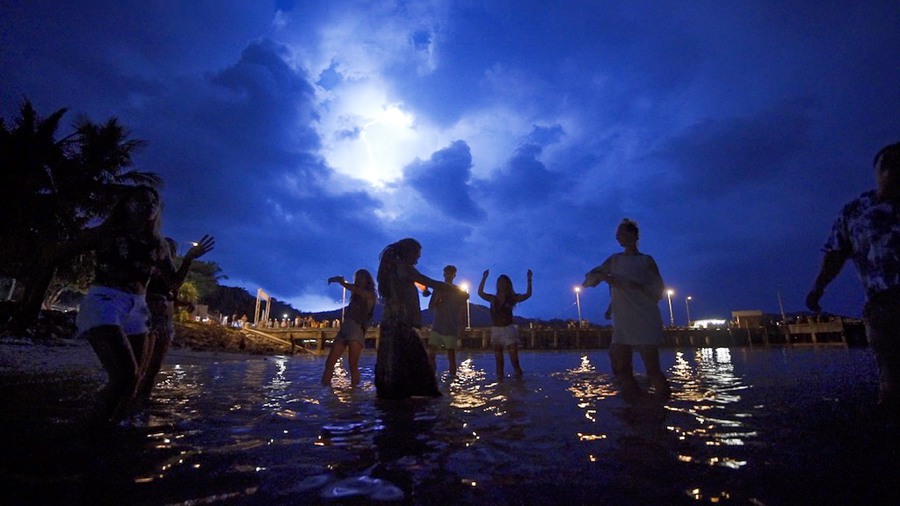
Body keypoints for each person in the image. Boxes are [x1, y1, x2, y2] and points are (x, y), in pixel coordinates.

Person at [64, 185, 214, 424]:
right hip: (106, 300)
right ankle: (93, 429)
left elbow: (173, 282)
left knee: (134, 378)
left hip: (138, 308)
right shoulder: (109, 233)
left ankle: (117, 424)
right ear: (127, 205)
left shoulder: (157, 244)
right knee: (126, 376)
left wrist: (188, 260)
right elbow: (64, 250)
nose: (149, 205)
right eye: (142, 200)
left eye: (154, 202)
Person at [806, 142, 900, 415]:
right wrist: (818, 288)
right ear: (879, 171)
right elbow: (835, 255)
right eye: (890, 164)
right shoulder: (856, 212)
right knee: (891, 372)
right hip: (884, 304)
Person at [582, 218, 670, 399]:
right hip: (623, 321)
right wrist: (605, 278)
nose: (617, 237)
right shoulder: (614, 259)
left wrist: (636, 286)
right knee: (621, 367)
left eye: (621, 233)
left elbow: (658, 291)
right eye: (617, 234)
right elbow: (591, 277)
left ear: (633, 235)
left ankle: (664, 408)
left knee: (652, 369)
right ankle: (634, 403)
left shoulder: (646, 260)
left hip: (645, 318)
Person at [375, 238, 459, 399]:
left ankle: (393, 402)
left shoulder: (393, 269)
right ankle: (419, 406)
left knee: (393, 364)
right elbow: (431, 282)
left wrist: (423, 289)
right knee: (420, 368)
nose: (418, 259)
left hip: (390, 323)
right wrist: (457, 291)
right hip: (402, 324)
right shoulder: (404, 268)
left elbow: (419, 283)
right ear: (409, 252)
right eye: (417, 254)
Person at [137, 235, 213, 400]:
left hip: (165, 322)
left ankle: (143, 399)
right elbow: (163, 289)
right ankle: (132, 397)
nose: (171, 253)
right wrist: (188, 259)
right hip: (150, 320)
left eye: (173, 250)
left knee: (155, 366)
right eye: (169, 249)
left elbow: (169, 294)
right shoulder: (152, 270)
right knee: (143, 363)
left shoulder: (169, 272)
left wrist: (184, 303)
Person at [321, 270, 377, 387]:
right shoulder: (355, 296)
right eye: (357, 278)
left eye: (361, 278)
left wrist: (341, 282)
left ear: (367, 280)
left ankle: (354, 393)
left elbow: (358, 291)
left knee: (353, 365)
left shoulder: (370, 295)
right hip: (345, 329)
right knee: (329, 363)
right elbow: (355, 291)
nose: (358, 280)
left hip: (356, 330)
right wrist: (342, 282)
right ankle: (324, 391)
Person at [478, 269, 532, 379]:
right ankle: (500, 387)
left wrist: (529, 279)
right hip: (496, 330)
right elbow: (480, 293)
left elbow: (527, 295)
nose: (501, 284)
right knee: (499, 363)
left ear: (507, 284)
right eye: (499, 282)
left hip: (508, 329)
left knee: (514, 361)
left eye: (503, 282)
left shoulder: (511, 298)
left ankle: (519, 385)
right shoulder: (493, 298)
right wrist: (484, 277)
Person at [424, 265, 468, 377]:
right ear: (444, 274)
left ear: (454, 275)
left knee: (451, 356)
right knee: (431, 354)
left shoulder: (457, 291)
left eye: (451, 273)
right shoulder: (438, 288)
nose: (448, 275)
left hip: (451, 326)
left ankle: (452, 379)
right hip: (437, 326)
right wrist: (438, 298)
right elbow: (430, 307)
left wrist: (462, 326)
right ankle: (432, 377)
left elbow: (462, 310)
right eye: (447, 273)